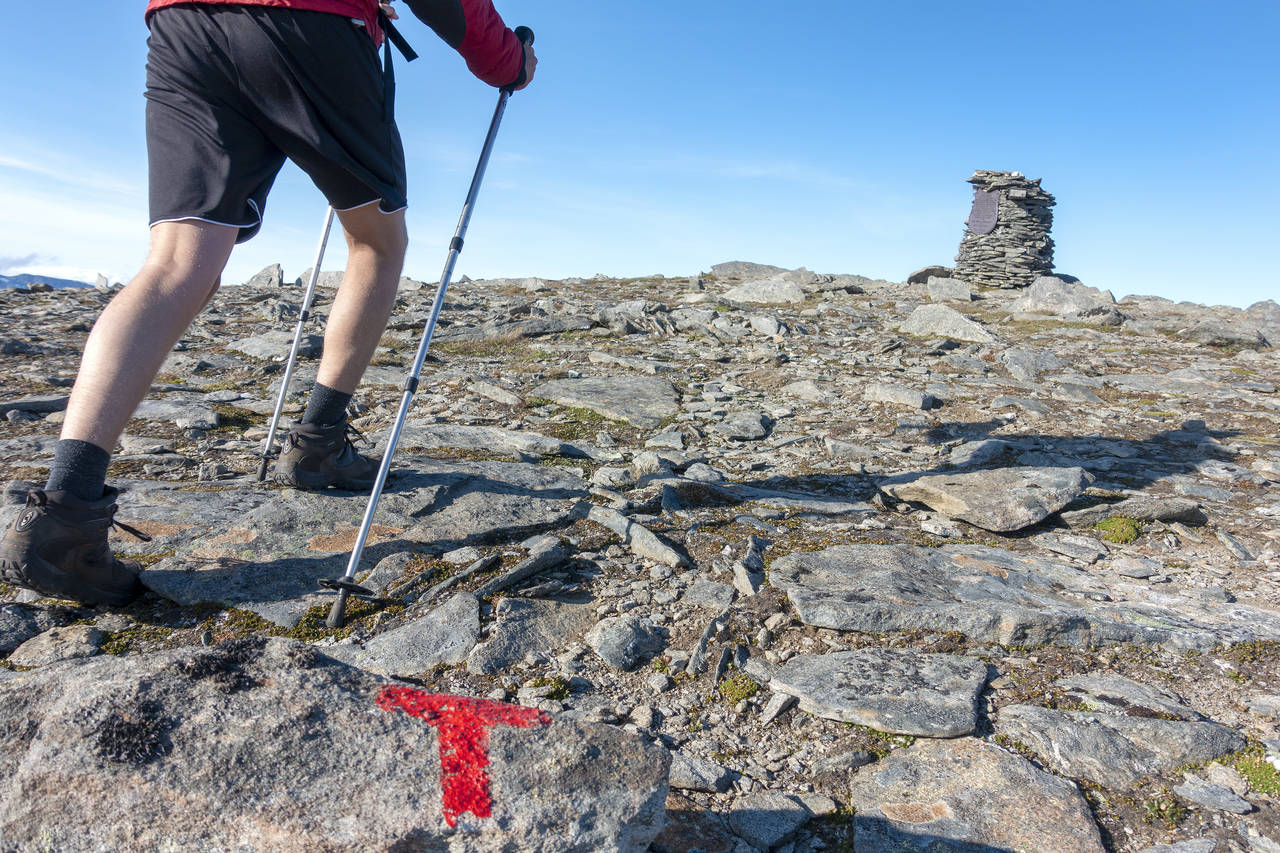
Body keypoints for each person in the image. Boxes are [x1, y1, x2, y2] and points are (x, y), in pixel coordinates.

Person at [0, 0, 537, 607]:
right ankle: (319, 442)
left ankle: (64, 513)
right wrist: (507, 61)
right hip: (316, 25)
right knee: (377, 242)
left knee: (177, 260)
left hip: (184, 24)